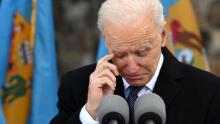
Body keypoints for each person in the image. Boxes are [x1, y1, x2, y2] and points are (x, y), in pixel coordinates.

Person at [50, 0, 220, 124]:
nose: (131, 67)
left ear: (162, 36)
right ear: (106, 42)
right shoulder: (76, 85)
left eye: (141, 52)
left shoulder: (208, 92)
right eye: (120, 54)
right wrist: (90, 113)